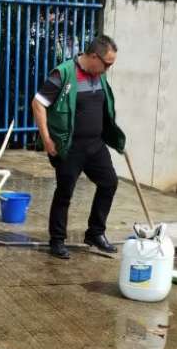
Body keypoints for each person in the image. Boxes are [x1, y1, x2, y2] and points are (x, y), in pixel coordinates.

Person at [30, 35, 126, 259]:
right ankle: (57, 240)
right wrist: (47, 138)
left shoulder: (98, 76)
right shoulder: (63, 73)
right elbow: (38, 103)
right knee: (65, 192)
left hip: (95, 145)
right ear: (94, 57)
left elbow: (105, 110)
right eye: (107, 64)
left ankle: (95, 233)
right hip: (70, 147)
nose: (108, 69)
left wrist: (114, 136)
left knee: (109, 183)